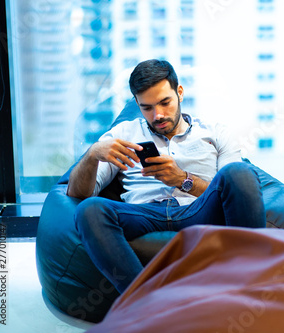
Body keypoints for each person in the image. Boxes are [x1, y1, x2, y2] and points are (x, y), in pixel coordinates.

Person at [67, 59, 266, 293]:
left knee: (240, 172)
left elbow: (234, 189)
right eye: (147, 108)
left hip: (198, 209)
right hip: (144, 214)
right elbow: (78, 193)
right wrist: (92, 155)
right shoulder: (122, 135)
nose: (158, 115)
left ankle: (249, 288)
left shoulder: (214, 132)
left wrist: (183, 179)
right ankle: (143, 302)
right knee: (88, 209)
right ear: (137, 104)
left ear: (179, 93)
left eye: (165, 102)